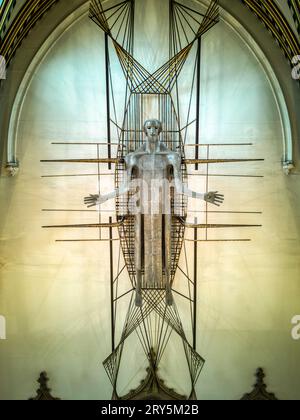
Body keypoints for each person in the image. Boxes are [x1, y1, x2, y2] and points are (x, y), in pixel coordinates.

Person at [85, 119, 224, 306]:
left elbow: (180, 187)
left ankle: (167, 287)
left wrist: (202, 196)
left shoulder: (171, 156)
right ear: (144, 130)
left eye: (156, 128)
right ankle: (139, 289)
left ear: (160, 130)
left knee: (167, 242)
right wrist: (103, 197)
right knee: (138, 242)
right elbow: (126, 186)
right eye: (149, 127)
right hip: (141, 205)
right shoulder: (134, 157)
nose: (152, 131)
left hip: (163, 205)